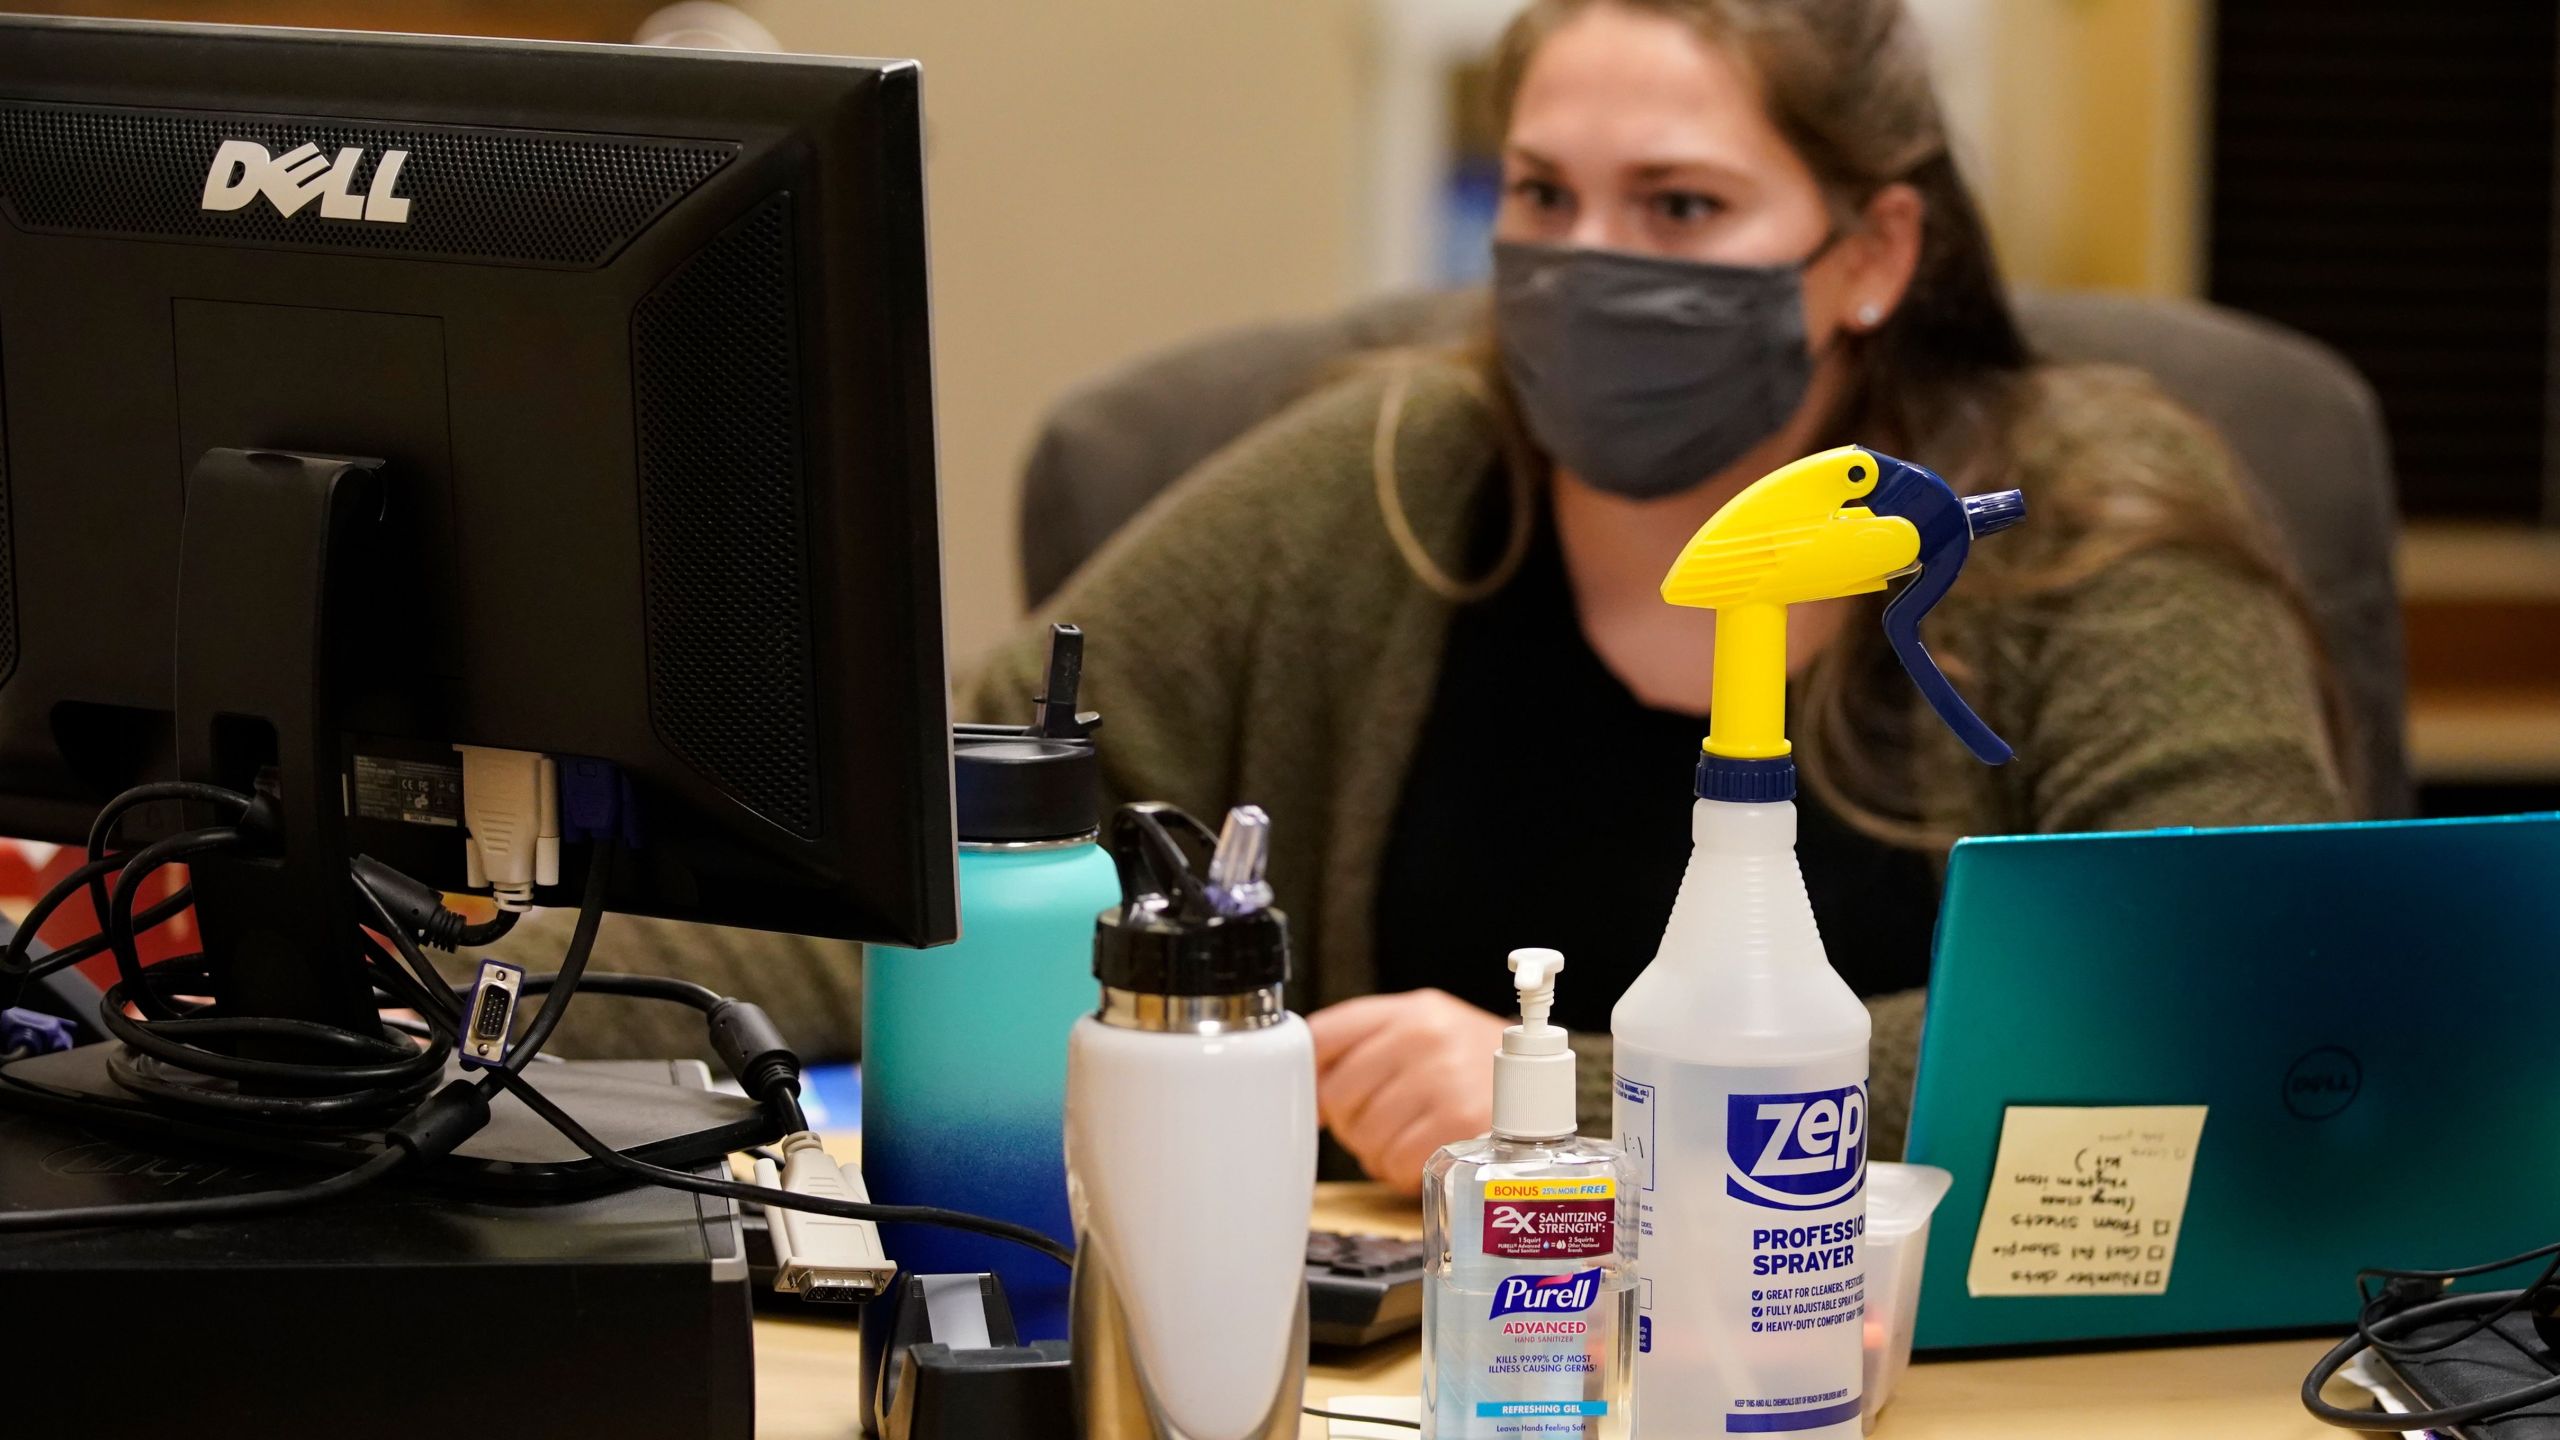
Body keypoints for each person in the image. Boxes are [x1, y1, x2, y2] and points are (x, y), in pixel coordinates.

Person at [956, 0, 2347, 1190]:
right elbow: (951, 843)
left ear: (1874, 254)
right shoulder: (1371, 485)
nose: (1590, 260)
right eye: (1542, 195)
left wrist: (1572, 1099)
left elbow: (2222, 984)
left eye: (1681, 204)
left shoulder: (2081, 521)